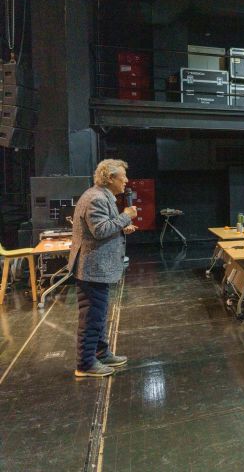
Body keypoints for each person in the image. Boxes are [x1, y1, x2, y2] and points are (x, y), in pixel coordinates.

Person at [68, 159, 137, 377]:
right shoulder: (96, 198)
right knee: (92, 316)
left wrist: (121, 228)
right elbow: (99, 230)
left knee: (98, 313)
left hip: (97, 267)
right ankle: (85, 364)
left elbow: (101, 228)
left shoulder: (101, 195)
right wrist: (126, 216)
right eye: (122, 176)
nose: (126, 180)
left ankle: (101, 352)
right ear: (109, 178)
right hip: (92, 268)